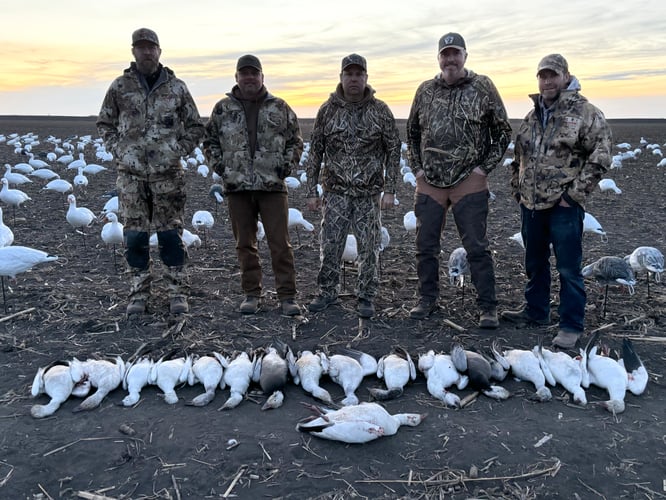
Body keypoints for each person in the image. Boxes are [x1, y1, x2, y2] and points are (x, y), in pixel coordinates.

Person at [502, 54, 612, 349]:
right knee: (535, 263)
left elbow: (601, 156)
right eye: (542, 76)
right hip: (532, 205)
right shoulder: (532, 115)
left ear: (566, 76)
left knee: (568, 268)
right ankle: (536, 312)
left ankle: (571, 325)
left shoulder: (585, 112)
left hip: (563, 206)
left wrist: (572, 196)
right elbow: (519, 157)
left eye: (553, 75)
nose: (547, 81)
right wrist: (519, 191)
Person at [406, 32, 511, 328]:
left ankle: (487, 307)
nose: (450, 59)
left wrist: (483, 169)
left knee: (476, 246)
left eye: (455, 53)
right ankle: (427, 299)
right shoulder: (425, 91)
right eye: (445, 54)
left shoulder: (483, 87)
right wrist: (417, 169)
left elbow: (503, 131)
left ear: (465, 55)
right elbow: (412, 133)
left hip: (469, 181)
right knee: (425, 245)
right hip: (431, 183)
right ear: (438, 58)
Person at [97, 28, 204, 316]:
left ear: (159, 50)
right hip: (130, 177)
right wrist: (119, 150)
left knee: (170, 235)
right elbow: (104, 124)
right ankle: (138, 294)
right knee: (134, 238)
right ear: (133, 51)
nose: (146, 52)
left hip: (168, 176)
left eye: (150, 47)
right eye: (140, 47)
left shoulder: (177, 88)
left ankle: (177, 292)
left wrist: (178, 150)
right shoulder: (120, 87)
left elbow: (195, 126)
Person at [203, 54, 303, 316]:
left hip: (272, 186)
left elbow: (296, 140)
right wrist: (221, 168)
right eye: (244, 73)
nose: (249, 77)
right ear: (236, 77)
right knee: (244, 244)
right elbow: (209, 141)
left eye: (254, 73)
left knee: (279, 243)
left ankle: (287, 296)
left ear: (262, 77)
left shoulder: (279, 107)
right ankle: (252, 294)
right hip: (238, 188)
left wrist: (286, 166)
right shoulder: (223, 109)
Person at [304, 54, 401, 318]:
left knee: (369, 247)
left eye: (359, 74)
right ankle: (327, 293)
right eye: (349, 74)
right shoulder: (327, 111)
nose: (354, 78)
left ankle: (366, 297)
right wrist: (311, 191)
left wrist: (390, 189)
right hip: (335, 193)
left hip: (368, 194)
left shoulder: (380, 111)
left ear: (366, 78)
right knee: (331, 244)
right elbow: (315, 153)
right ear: (341, 78)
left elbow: (394, 151)